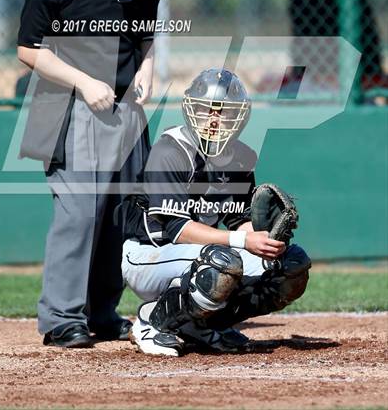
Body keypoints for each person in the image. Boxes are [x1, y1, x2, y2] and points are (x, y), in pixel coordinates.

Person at [17, 0, 160, 347]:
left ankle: (101, 312)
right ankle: (61, 318)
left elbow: (146, 38)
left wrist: (145, 72)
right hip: (67, 106)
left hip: (124, 108)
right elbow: (28, 49)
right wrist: (84, 82)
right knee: (79, 214)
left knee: (121, 215)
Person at [121, 68, 311, 356]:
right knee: (223, 263)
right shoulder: (171, 151)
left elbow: (239, 221)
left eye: (224, 112)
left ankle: (201, 326)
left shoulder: (242, 156)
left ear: (240, 116)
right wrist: (242, 241)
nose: (214, 119)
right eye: (206, 109)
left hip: (200, 255)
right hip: (149, 254)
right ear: (191, 110)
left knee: (289, 266)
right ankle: (152, 320)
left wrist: (266, 240)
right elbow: (177, 230)